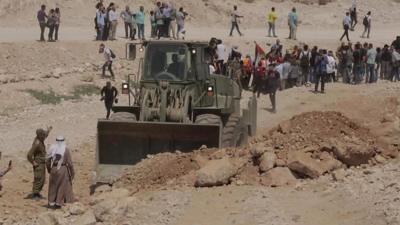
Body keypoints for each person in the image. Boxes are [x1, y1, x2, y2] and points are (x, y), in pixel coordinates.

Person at [46, 136, 75, 209]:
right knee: (61, 185)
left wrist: (49, 169)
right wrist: (72, 173)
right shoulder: (65, 149)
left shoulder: (52, 148)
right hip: (62, 169)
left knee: (53, 186)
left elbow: (47, 160)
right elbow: (70, 163)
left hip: (54, 168)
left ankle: (51, 202)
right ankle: (58, 202)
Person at [27, 126, 52, 200]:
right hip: (38, 163)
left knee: (42, 179)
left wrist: (49, 130)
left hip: (42, 162)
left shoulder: (40, 139)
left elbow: (45, 135)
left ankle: (37, 193)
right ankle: (35, 194)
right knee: (38, 178)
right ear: (40, 135)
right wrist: (33, 163)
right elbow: (29, 155)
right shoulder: (37, 143)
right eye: (43, 135)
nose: (44, 137)